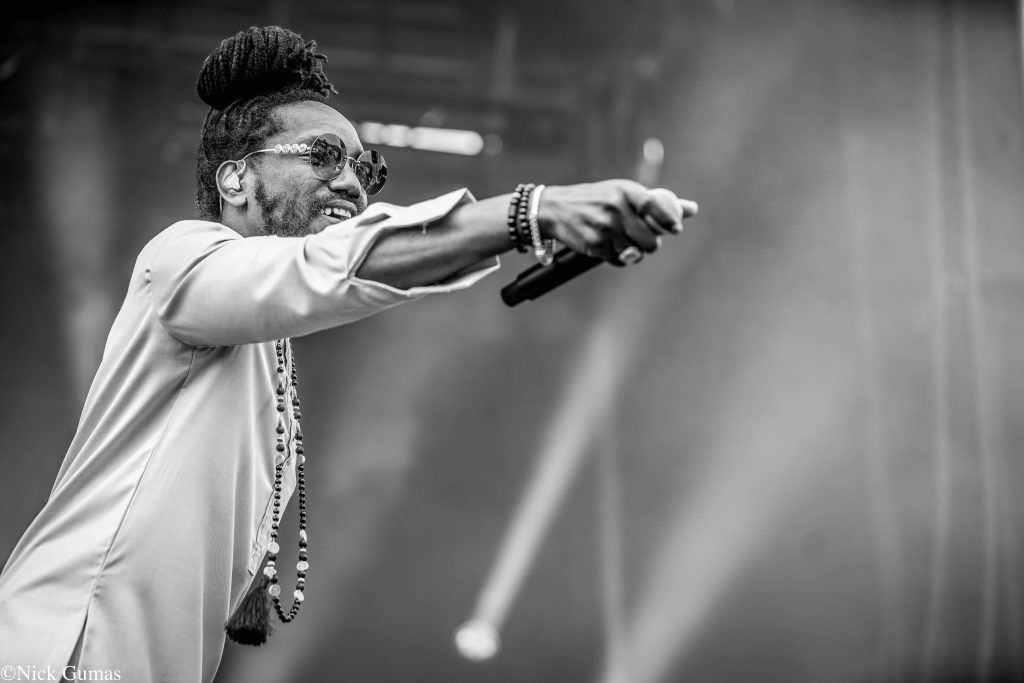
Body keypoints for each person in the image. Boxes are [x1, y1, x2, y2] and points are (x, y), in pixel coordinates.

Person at [0, 25, 691, 682]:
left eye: (367, 168)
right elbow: (322, 270)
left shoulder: (263, 343)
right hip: (58, 649)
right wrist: (531, 212)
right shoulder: (180, 258)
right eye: (324, 156)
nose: (354, 185)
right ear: (236, 180)